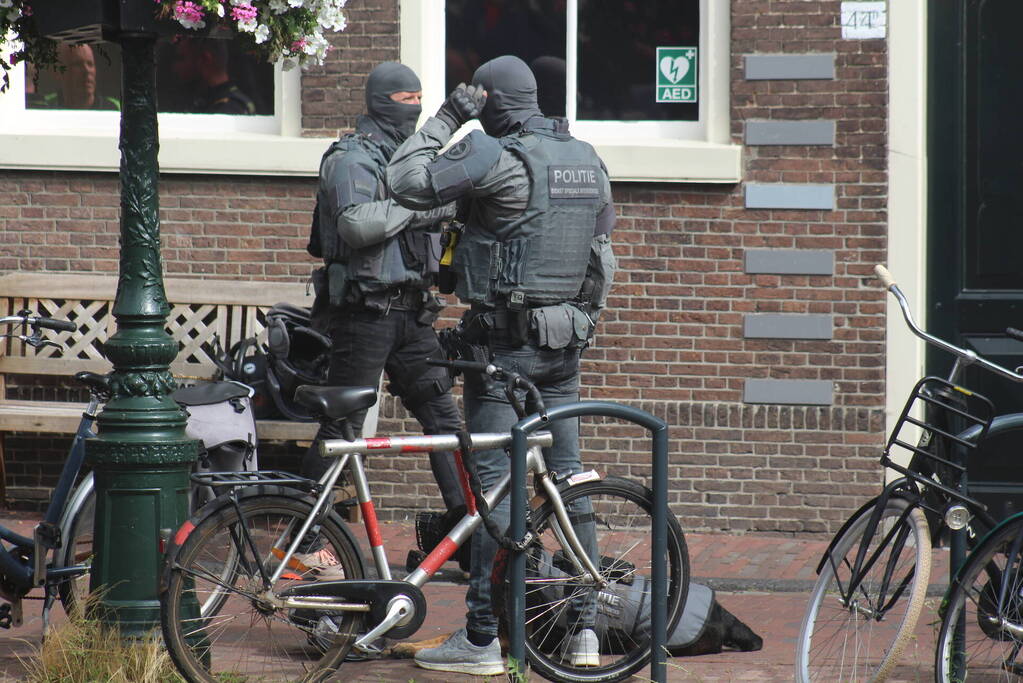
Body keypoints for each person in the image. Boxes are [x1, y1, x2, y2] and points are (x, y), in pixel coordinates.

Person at [386, 54, 616, 675]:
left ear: (489, 100)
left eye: (479, 99)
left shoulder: (494, 153)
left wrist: (446, 117)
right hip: (563, 346)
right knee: (568, 483)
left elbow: (403, 181)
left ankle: (483, 636)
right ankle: (585, 634)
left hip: (502, 353)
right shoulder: (585, 158)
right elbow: (601, 253)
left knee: (493, 490)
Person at [298, 61, 466, 577]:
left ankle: (471, 530)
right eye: (403, 98)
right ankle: (301, 540)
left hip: (413, 315)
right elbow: (355, 225)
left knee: (444, 421)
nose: (413, 108)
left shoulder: (413, 158)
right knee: (343, 427)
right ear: (379, 101)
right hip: (363, 315)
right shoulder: (350, 160)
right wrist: (419, 209)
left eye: (420, 98)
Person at [170, 37, 256, 114]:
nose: (175, 67)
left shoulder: (231, 108)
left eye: (181, 58)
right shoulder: (204, 101)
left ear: (205, 59)